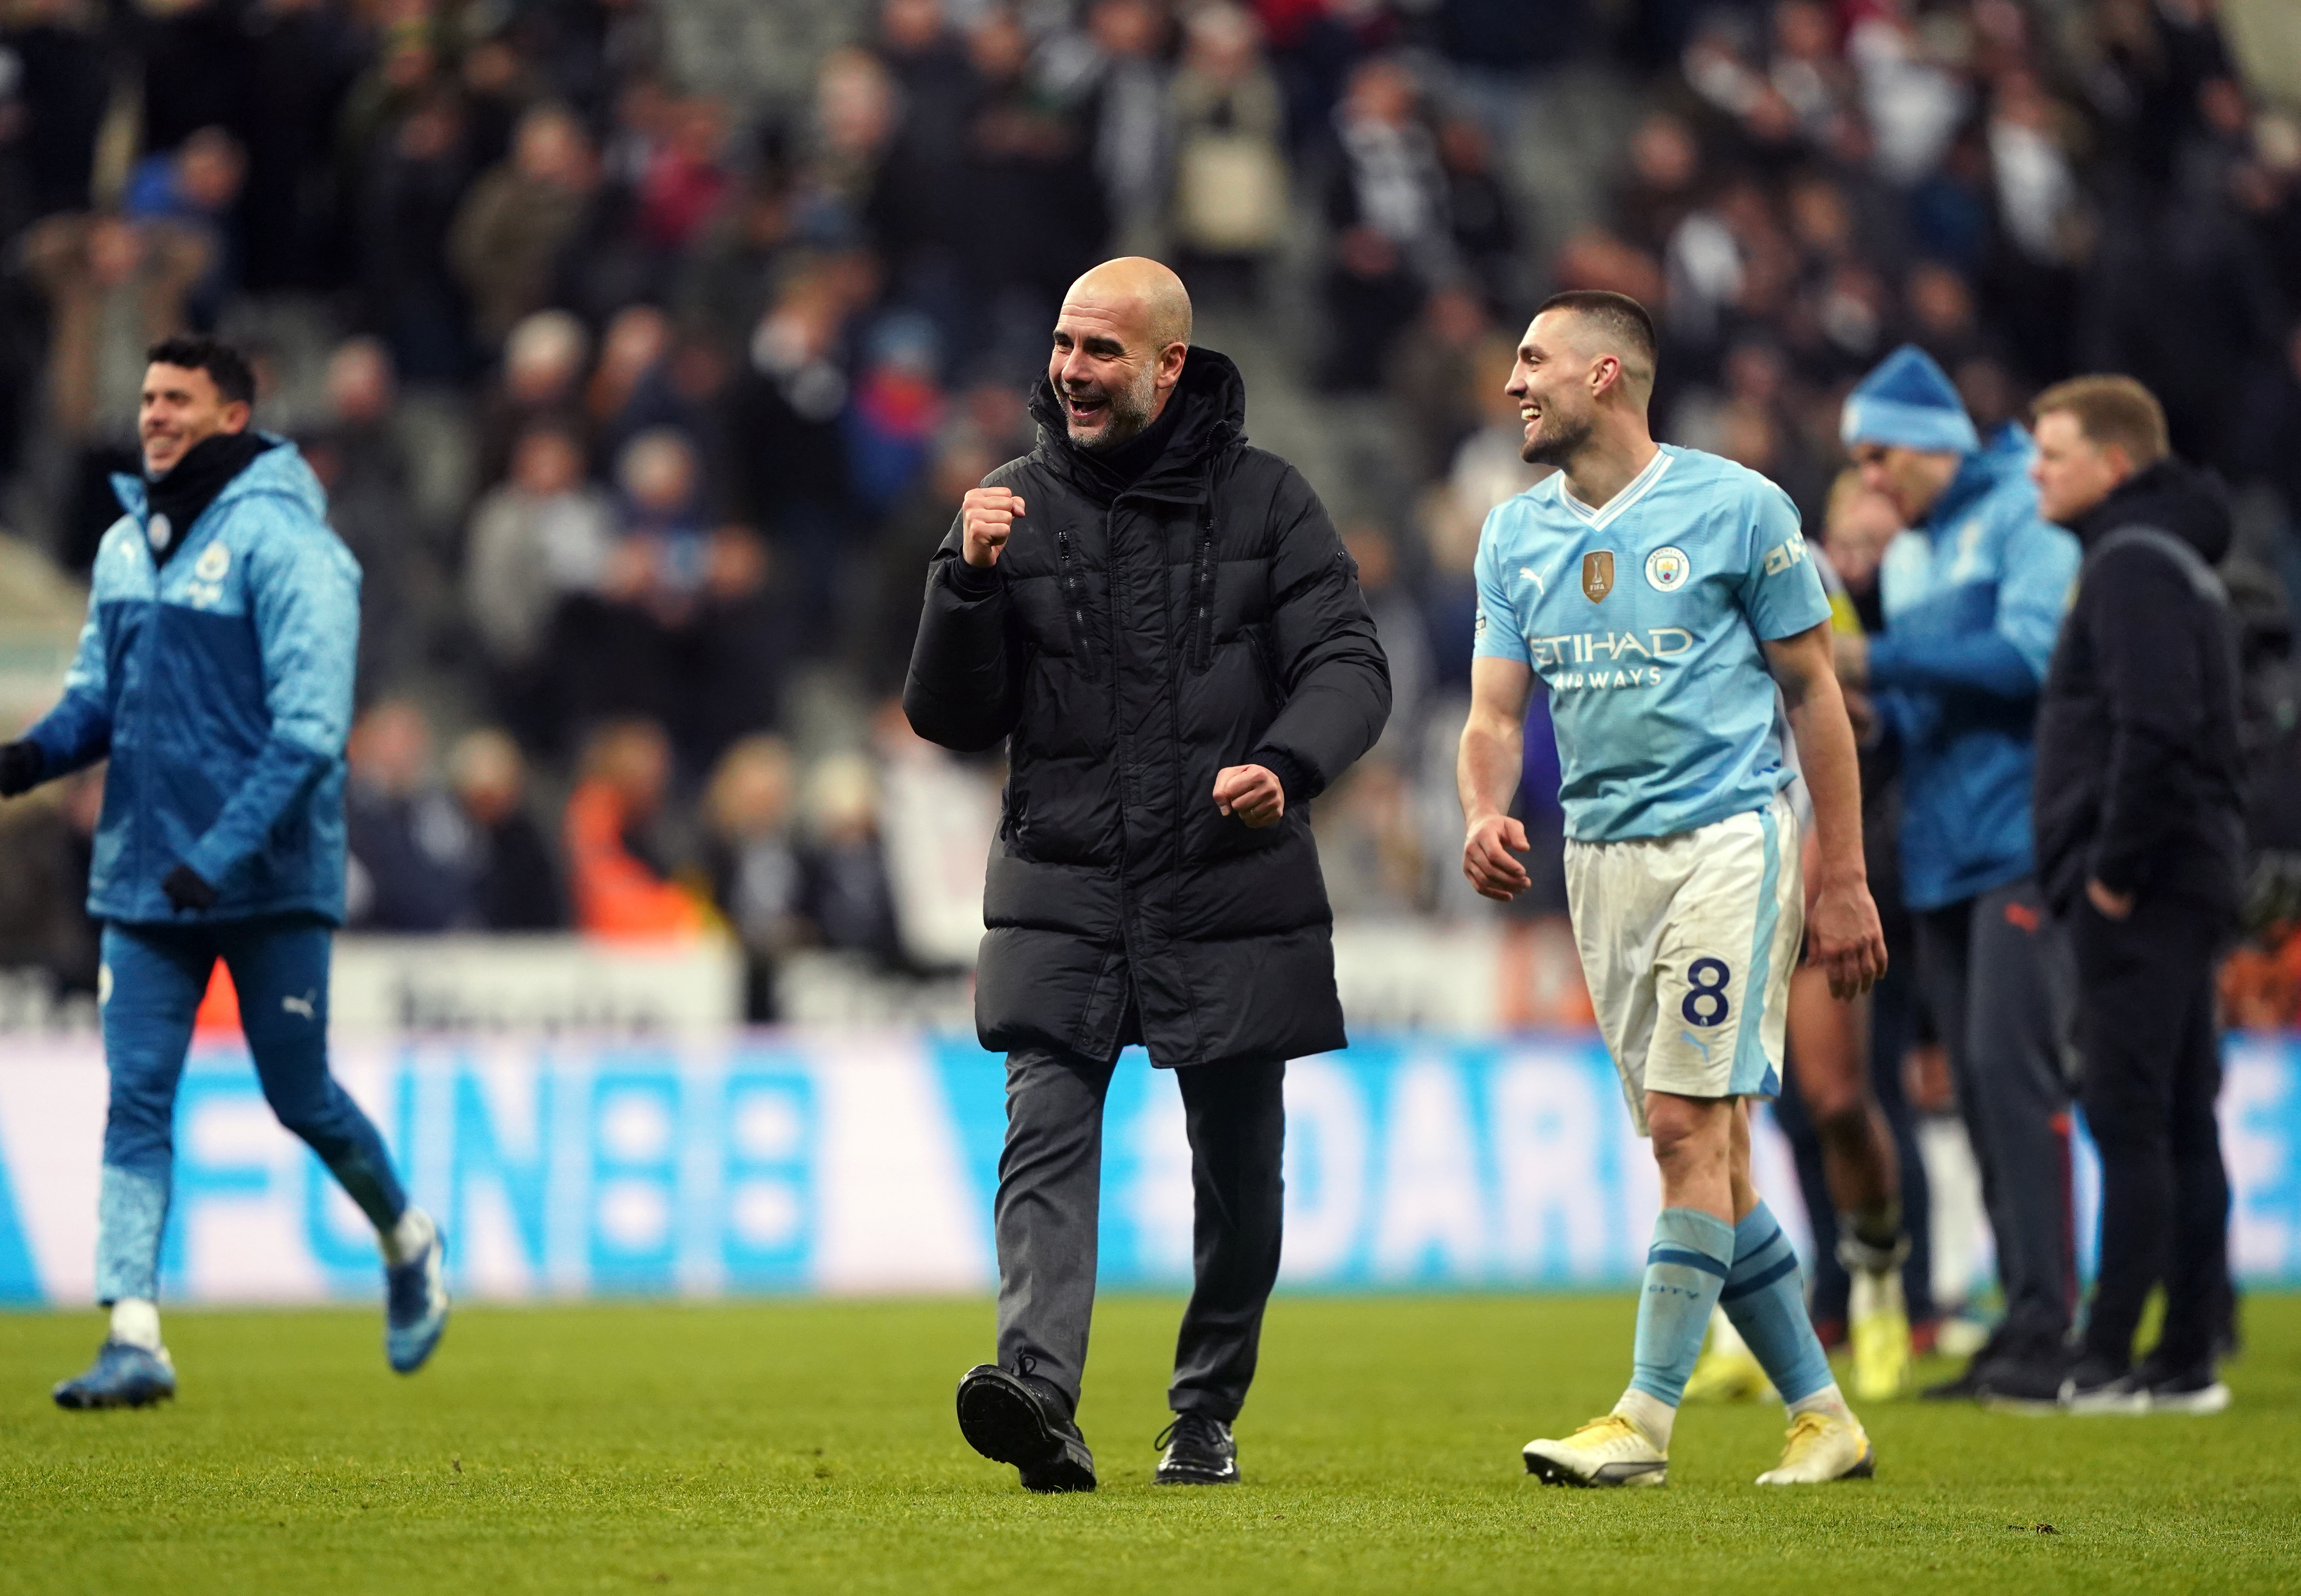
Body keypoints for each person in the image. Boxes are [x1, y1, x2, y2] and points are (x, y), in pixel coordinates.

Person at [905, 257, 1389, 1492]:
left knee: (1239, 1174)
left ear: (1171, 365)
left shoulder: (1271, 502)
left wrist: (1287, 762)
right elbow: (949, 718)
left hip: (1228, 881)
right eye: (1063, 344)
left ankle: (1205, 1409)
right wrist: (963, 586)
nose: (1070, 370)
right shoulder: (1006, 508)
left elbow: (1350, 664)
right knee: (1043, 1130)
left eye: (1102, 351)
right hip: (1063, 883)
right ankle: (1038, 1395)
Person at [1459, 290, 1886, 1488]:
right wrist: (1483, 810)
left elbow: (1817, 698)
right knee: (1713, 1162)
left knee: (1684, 1128)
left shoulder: (1740, 508)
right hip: (1601, 863)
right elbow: (1493, 715)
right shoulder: (1514, 536)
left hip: (1729, 841)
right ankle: (1824, 1419)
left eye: (1534, 360)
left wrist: (1845, 877)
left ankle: (1641, 1423)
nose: (1513, 384)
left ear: (1605, 376)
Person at [0, 336, 447, 1409]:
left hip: (268, 877)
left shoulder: (292, 548)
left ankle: (406, 1236)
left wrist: (219, 856)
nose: (153, 415)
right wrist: (26, 759)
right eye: (147, 397)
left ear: (234, 417)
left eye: (177, 400)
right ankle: (134, 1336)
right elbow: (98, 700)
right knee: (136, 1097)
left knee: (299, 1096)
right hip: (146, 879)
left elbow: (310, 733)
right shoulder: (126, 545)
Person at [1833, 345, 2082, 1406]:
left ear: (1933, 443)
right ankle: (2020, 1320)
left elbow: (2034, 657)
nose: (1870, 479)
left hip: (2019, 840)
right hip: (1939, 855)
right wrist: (1873, 717)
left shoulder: (2026, 511)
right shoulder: (1913, 551)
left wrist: (1877, 663)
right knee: (1977, 1092)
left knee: (2012, 1078)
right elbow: (1926, 704)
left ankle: (2049, 1329)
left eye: (1879, 456)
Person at [2028, 375, 2242, 1415]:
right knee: (2181, 1115)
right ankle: (2185, 1355)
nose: (2036, 473)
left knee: (2129, 1114)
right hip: (2185, 875)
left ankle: (2113, 1351)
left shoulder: (2128, 566)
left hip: (2146, 885)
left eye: (2054, 454)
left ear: (2114, 464)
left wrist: (2109, 872)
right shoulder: (2167, 559)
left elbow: (2155, 728)